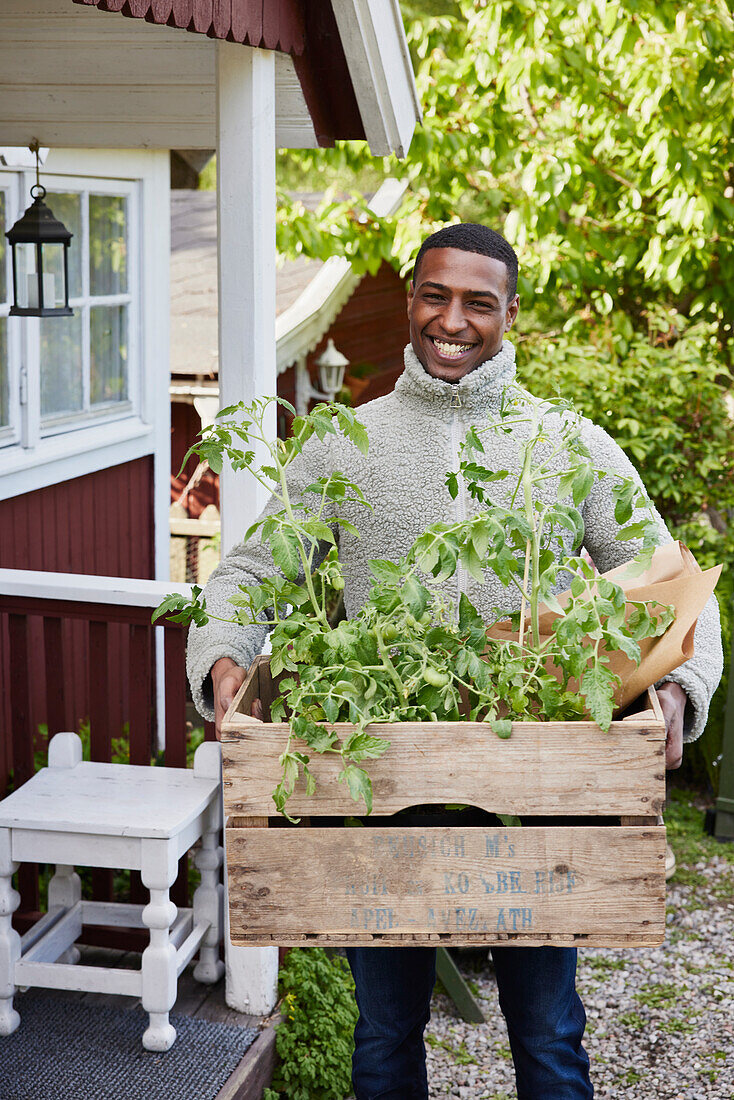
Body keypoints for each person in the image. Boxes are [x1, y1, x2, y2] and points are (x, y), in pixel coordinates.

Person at [187, 223, 722, 1099]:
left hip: (539, 792)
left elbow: (675, 581)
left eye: (479, 302)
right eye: (436, 295)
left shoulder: (566, 444)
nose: (453, 320)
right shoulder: (343, 445)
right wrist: (222, 658)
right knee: (386, 1032)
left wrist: (676, 688)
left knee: (549, 1036)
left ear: (510, 315)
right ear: (411, 303)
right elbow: (250, 572)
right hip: (380, 781)